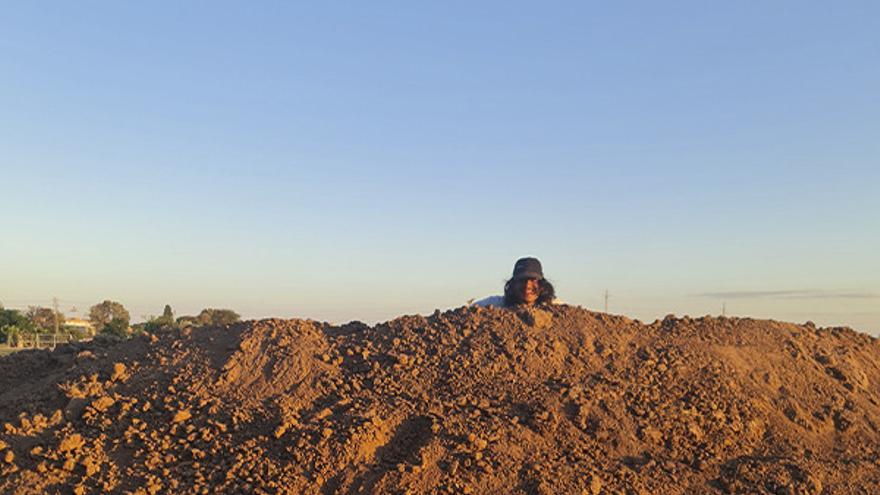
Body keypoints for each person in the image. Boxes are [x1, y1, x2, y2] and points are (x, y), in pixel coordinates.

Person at [470, 257, 558, 308]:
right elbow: (471, 310)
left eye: (533, 280)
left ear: (542, 284)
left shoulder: (556, 308)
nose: (527, 285)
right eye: (522, 280)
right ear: (513, 284)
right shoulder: (497, 304)